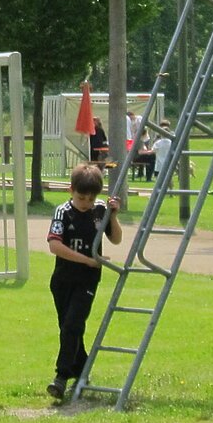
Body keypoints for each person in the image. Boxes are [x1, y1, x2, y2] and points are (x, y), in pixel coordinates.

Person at [46, 163, 123, 400]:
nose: (86, 203)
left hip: (87, 281)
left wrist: (114, 216)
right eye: (81, 198)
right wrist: (86, 260)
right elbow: (54, 246)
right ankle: (82, 370)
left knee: (73, 325)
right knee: (68, 328)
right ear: (71, 191)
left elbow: (116, 239)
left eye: (91, 199)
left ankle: (60, 377)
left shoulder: (100, 210)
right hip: (63, 279)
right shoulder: (62, 212)